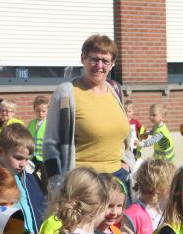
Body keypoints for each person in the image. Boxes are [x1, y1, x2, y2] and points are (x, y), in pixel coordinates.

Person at [44, 34, 130, 191]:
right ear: (83, 58)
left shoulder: (116, 90)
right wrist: (58, 185)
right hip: (83, 183)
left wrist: (128, 163)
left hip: (118, 180)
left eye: (105, 61)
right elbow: (50, 144)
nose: (99, 65)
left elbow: (125, 136)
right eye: (94, 59)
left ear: (112, 64)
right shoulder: (66, 93)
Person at [27, 95, 49, 182]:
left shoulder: (49, 123)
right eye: (38, 111)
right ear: (34, 110)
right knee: (29, 173)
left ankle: (44, 193)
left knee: (45, 179)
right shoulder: (32, 123)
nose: (40, 113)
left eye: (43, 111)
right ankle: (37, 187)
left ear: (47, 111)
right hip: (33, 156)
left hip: (44, 156)